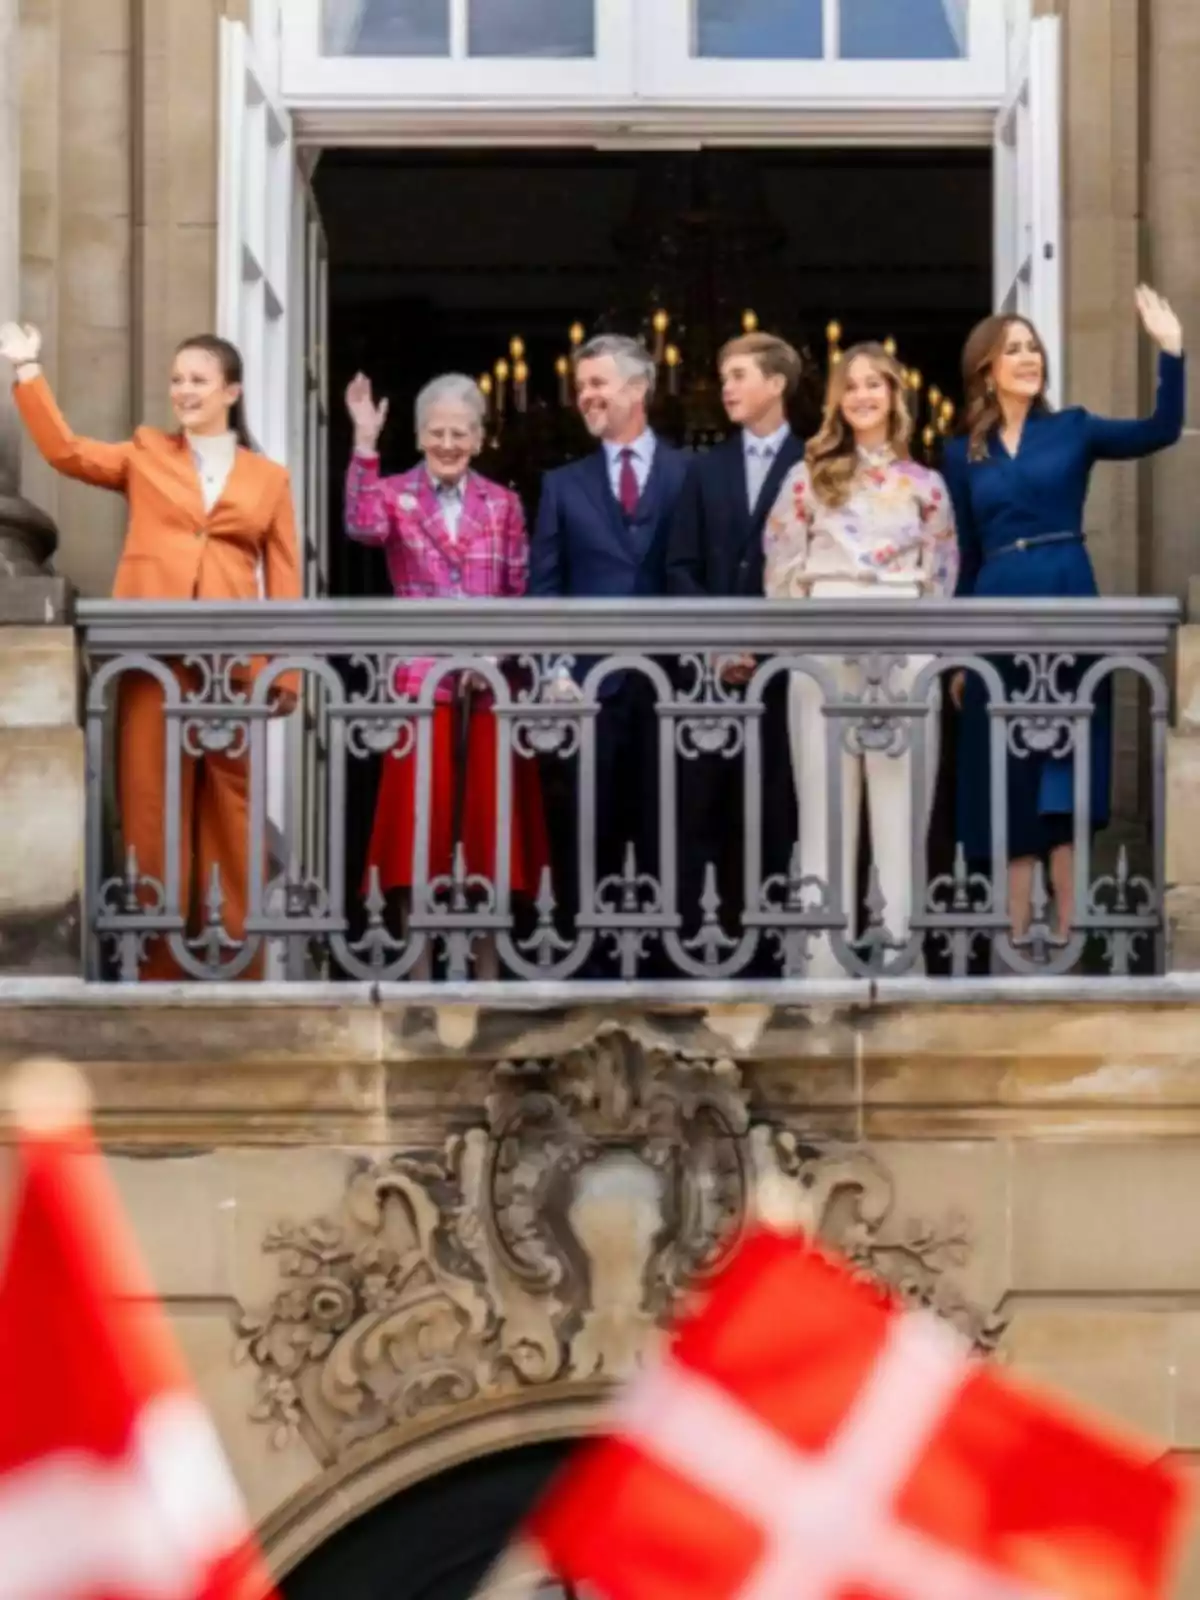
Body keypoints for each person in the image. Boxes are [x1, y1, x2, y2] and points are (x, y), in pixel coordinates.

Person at [0, 321, 301, 981]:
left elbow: (283, 577)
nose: (183, 391)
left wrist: (285, 674)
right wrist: (27, 371)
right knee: (151, 803)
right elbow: (68, 452)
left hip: (232, 665)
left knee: (231, 806)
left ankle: (235, 955)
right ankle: (158, 958)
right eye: (176, 380)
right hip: (152, 660)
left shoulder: (268, 479)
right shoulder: (145, 452)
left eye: (197, 380)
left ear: (231, 391)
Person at [944, 286, 1185, 951]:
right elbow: (964, 553)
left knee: (1065, 754)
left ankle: (1070, 928)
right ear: (985, 368)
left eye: (1033, 348)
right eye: (1013, 349)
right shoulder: (962, 451)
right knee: (1006, 761)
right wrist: (961, 650)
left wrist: (1172, 354)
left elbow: (1160, 431)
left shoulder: (1072, 427)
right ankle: (1016, 930)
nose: (1028, 358)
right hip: (995, 601)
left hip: (1066, 590)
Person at [344, 370, 546, 980]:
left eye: (461, 432)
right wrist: (363, 442)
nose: (449, 443)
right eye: (437, 432)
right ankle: (418, 970)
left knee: (489, 832)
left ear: (480, 438)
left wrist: (496, 660)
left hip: (487, 687)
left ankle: (488, 974)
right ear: (419, 437)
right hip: (419, 683)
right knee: (417, 832)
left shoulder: (503, 503)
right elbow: (361, 525)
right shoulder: (397, 493)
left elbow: (518, 588)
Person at [765, 342, 958, 978]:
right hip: (823, 638)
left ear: (895, 395)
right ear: (837, 402)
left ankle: (902, 955)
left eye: (875, 384)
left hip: (904, 637)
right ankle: (824, 959)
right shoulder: (808, 475)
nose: (863, 395)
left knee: (903, 804)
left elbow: (942, 573)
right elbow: (782, 567)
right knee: (823, 799)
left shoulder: (927, 485)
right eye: (851, 386)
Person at [529, 334, 689, 971]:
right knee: (588, 824)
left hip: (673, 683)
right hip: (590, 686)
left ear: (637, 389)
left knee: (670, 823)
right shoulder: (562, 484)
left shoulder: (689, 473)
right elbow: (545, 586)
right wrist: (554, 673)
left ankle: (671, 957)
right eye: (582, 387)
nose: (586, 396)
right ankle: (586, 957)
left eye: (598, 383)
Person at [666, 332, 805, 969]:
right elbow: (680, 566)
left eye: (740, 374)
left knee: (780, 809)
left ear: (777, 383)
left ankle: (776, 951)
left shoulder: (814, 461)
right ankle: (699, 951)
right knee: (702, 812)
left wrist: (768, 644)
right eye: (724, 375)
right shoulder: (703, 468)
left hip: (787, 674)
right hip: (711, 675)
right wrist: (720, 644)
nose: (726, 387)